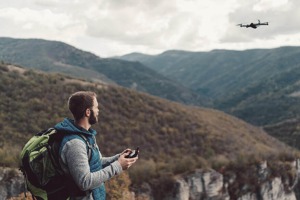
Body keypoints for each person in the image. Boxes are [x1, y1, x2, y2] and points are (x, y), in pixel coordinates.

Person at [54, 91, 138, 200]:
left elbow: (95, 163)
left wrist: (118, 158)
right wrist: (118, 166)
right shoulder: (75, 144)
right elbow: (85, 181)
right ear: (88, 112)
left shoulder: (86, 136)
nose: (98, 111)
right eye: (96, 107)